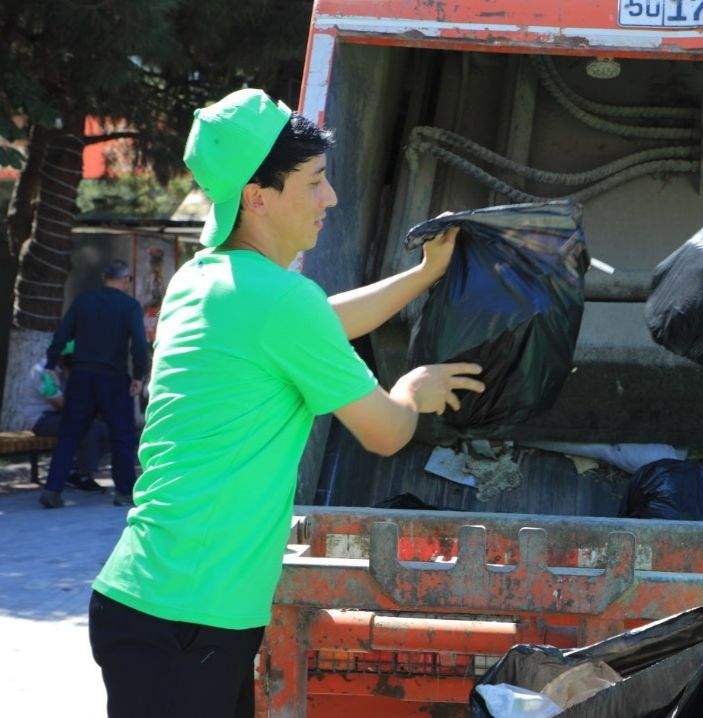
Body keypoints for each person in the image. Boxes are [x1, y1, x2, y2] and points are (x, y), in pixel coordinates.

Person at [87, 88, 485, 718]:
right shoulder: (279, 303)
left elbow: (318, 322)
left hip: (152, 602)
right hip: (191, 620)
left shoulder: (203, 279)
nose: (330, 198)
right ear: (258, 196)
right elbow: (385, 432)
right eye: (315, 181)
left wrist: (423, 276)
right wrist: (413, 390)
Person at [39, 259, 148, 509]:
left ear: (104, 277)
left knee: (69, 434)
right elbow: (139, 346)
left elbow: (62, 335)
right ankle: (123, 493)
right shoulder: (129, 306)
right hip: (113, 379)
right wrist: (139, 377)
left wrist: (50, 364)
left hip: (81, 376)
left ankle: (52, 490)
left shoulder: (82, 302)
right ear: (124, 280)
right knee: (122, 435)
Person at [22, 341, 108, 490]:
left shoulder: (64, 369)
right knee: (89, 427)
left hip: (59, 417)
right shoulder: (43, 371)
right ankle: (82, 474)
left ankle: (75, 469)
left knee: (107, 430)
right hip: (41, 420)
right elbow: (62, 405)